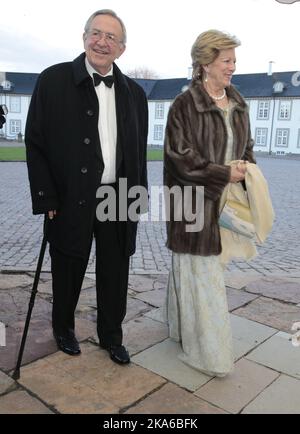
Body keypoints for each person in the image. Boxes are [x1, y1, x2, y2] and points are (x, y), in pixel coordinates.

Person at [25, 9, 148, 365]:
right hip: (70, 196)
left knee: (115, 270)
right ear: (84, 38)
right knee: (67, 266)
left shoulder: (135, 94)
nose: (102, 42)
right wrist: (46, 195)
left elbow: (137, 153)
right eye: (96, 33)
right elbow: (35, 142)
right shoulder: (52, 80)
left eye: (111, 37)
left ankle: (112, 335)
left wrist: (136, 198)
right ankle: (63, 328)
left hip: (118, 196)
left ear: (122, 49)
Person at [164, 30, 255, 377]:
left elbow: (246, 145)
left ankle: (178, 328)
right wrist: (223, 173)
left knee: (191, 270)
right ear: (205, 63)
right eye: (227, 60)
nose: (233, 66)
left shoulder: (238, 101)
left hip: (225, 201)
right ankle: (209, 355)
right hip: (191, 203)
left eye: (234, 60)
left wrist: (246, 169)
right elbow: (179, 159)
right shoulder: (184, 105)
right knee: (202, 275)